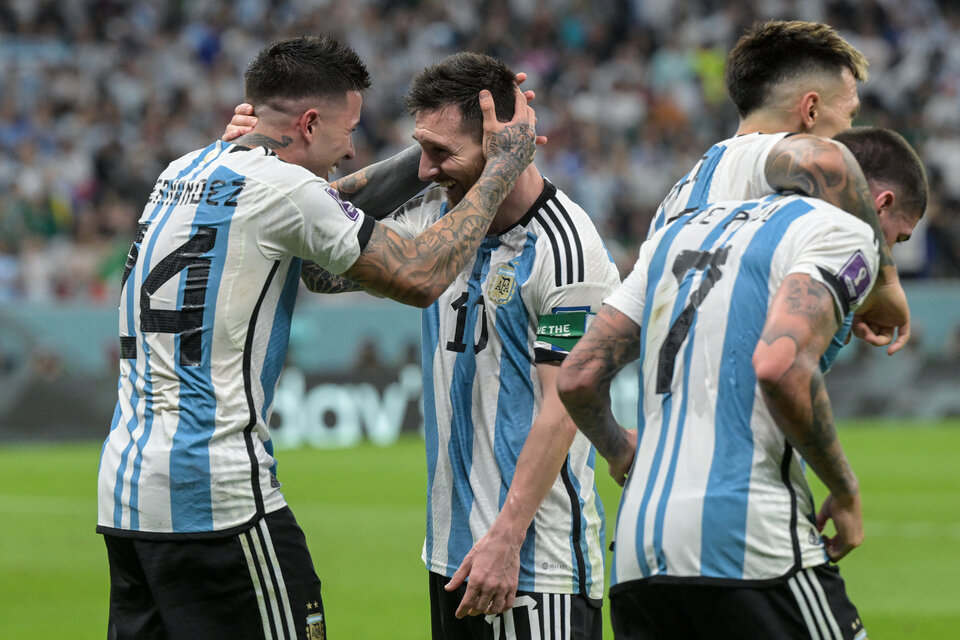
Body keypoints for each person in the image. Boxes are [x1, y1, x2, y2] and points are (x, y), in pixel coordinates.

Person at [96, 36, 537, 640]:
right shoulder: (283, 191)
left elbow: (319, 215)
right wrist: (501, 164)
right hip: (216, 493)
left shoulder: (183, 169)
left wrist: (431, 152)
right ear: (309, 122)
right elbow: (420, 273)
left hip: (125, 493)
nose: (350, 147)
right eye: (346, 129)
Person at [226, 52, 620, 640]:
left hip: (533, 565)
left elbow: (560, 406)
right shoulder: (437, 222)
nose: (428, 170)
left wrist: (506, 538)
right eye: (421, 149)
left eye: (443, 153)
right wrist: (272, 159)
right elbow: (317, 266)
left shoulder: (564, 247)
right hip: (449, 554)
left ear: (500, 144)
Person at [555, 126, 927, 639]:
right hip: (750, 542)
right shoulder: (844, 231)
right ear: (879, 204)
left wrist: (620, 452)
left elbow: (578, 377)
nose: (892, 251)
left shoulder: (676, 232)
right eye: (898, 237)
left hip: (639, 554)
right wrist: (844, 490)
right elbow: (782, 366)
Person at [649, 19, 911, 354]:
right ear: (811, 110)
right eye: (850, 116)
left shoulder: (676, 197)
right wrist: (883, 282)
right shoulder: (756, 154)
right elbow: (829, 162)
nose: (852, 132)